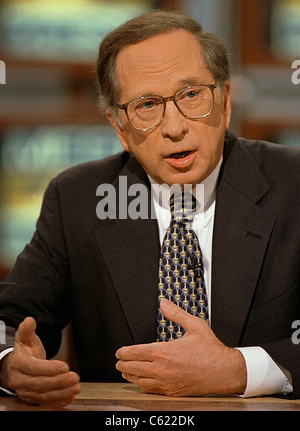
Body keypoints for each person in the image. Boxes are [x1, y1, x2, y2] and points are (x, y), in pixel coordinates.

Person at [0, 10, 300, 408]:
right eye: (146, 105)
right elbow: (9, 324)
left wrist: (239, 369)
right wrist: (9, 364)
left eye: (191, 95)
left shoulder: (294, 184)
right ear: (119, 127)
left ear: (225, 101)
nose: (174, 127)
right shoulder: (77, 198)